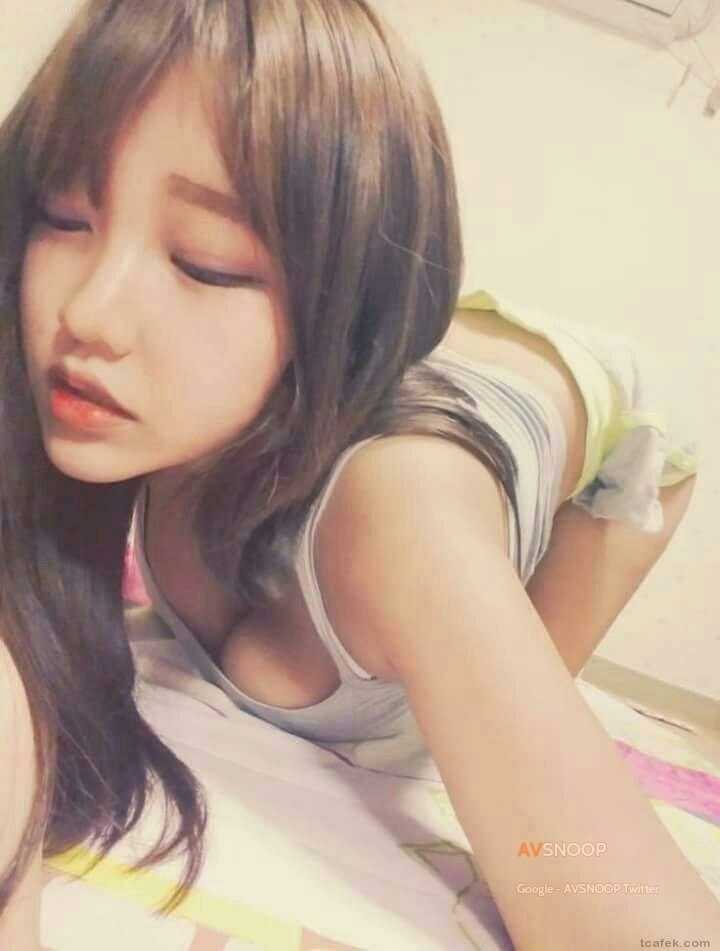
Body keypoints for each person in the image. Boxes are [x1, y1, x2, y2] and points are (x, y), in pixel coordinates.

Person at [0, 0, 718, 948]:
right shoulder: (150, 395)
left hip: (615, 431)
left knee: (495, 751)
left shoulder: (404, 521)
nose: (89, 312)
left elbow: (625, 909)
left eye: (205, 262)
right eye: (65, 217)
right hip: (412, 364)